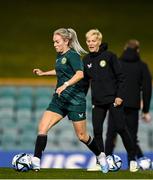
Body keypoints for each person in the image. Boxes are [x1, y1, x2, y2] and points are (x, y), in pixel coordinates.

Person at [31, 28, 109, 173]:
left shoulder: (73, 55)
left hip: (75, 101)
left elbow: (80, 74)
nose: (54, 44)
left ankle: (101, 156)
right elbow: (61, 70)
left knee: (82, 136)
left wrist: (65, 85)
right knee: (42, 127)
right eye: (54, 42)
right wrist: (44, 73)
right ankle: (35, 162)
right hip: (59, 100)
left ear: (66, 41)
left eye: (57, 42)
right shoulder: (59, 55)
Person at [82, 29, 138, 172]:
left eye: (93, 41)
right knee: (97, 131)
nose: (91, 43)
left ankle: (132, 160)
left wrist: (119, 96)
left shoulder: (110, 56)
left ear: (99, 42)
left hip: (113, 99)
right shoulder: (86, 60)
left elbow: (121, 78)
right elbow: (85, 83)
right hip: (98, 102)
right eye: (88, 41)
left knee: (120, 128)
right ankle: (100, 162)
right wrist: (81, 98)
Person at [105, 39, 152, 164]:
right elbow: (147, 89)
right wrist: (146, 110)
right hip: (133, 105)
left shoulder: (117, 64)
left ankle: (106, 161)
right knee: (131, 136)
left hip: (116, 104)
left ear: (125, 49)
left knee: (111, 135)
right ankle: (132, 162)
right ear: (138, 50)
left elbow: (108, 83)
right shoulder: (142, 66)